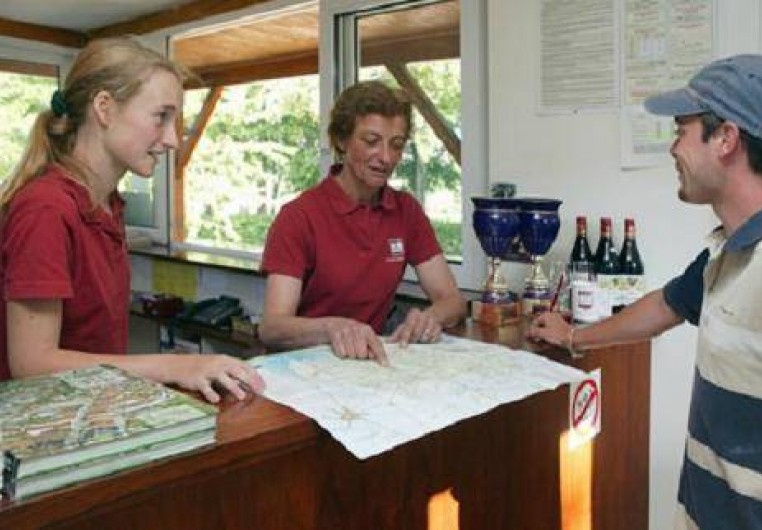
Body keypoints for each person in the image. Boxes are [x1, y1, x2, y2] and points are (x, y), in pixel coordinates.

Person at [528, 55, 762, 529]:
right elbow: (666, 305)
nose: (674, 148)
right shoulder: (729, 252)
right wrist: (573, 337)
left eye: (682, 130)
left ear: (726, 139)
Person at [0, 37, 264, 404]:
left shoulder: (107, 206)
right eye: (161, 117)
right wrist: (174, 366)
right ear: (104, 108)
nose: (172, 140)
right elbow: (32, 364)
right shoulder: (46, 209)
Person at [260, 80, 466, 365]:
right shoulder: (298, 217)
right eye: (371, 142)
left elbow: (453, 300)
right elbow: (272, 328)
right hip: (303, 367)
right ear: (341, 141)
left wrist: (430, 317)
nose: (386, 157)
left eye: (396, 145)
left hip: (366, 365)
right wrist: (332, 328)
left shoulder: (406, 211)